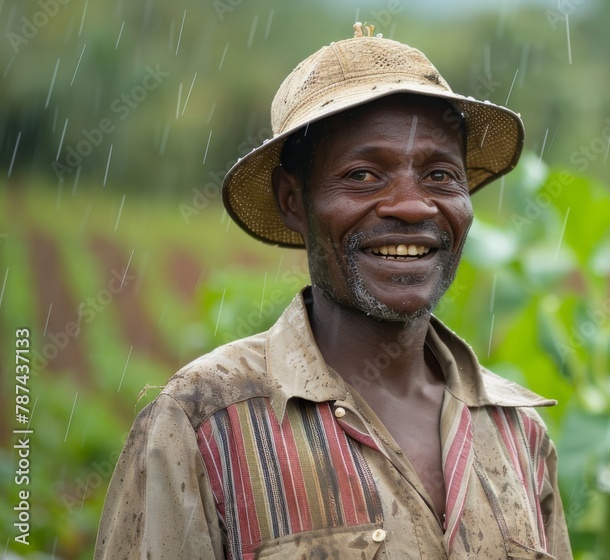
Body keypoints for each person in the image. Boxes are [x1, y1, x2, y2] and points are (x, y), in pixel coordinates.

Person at [94, 27, 571, 560]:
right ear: (294, 202)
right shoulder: (204, 422)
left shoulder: (519, 435)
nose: (412, 206)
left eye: (440, 175)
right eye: (364, 175)